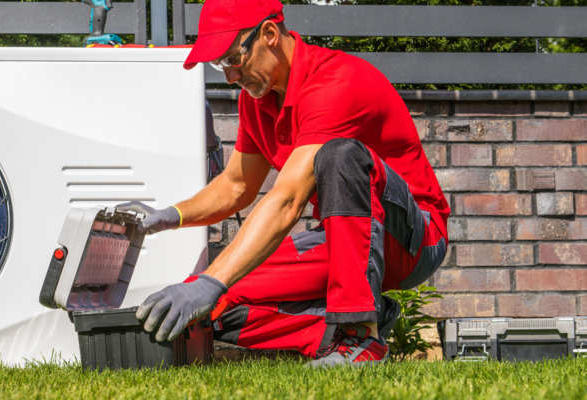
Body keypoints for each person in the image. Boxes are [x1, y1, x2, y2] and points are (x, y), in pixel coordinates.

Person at [116, 0, 449, 367]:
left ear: (270, 34)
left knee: (340, 155)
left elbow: (288, 199)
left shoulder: (335, 82)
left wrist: (212, 281)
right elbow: (236, 186)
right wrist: (169, 216)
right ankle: (345, 327)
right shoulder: (256, 100)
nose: (228, 76)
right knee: (215, 306)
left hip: (413, 238)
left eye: (232, 59)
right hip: (344, 242)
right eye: (218, 64)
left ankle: (359, 336)